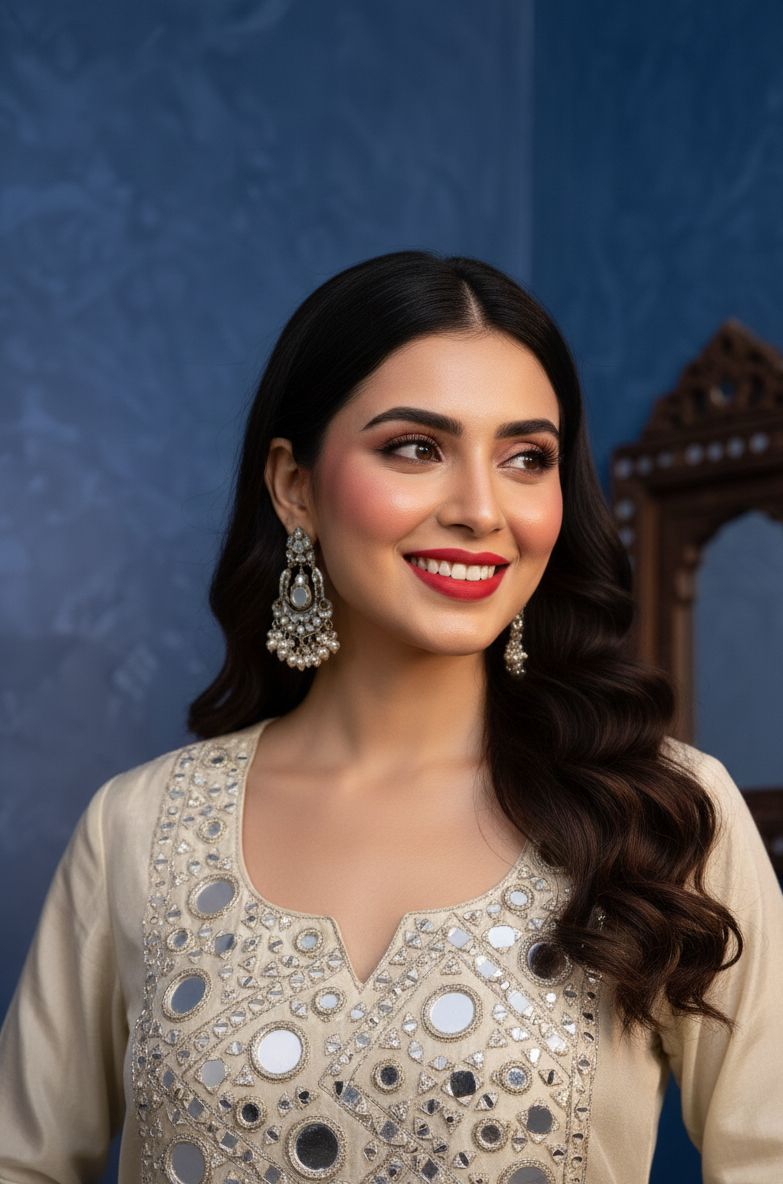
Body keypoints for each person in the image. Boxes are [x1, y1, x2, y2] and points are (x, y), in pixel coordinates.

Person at [0, 252, 781, 1184]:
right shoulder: (138, 830)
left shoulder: (664, 812)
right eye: (416, 447)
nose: (481, 509)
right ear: (294, 487)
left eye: (525, 457)